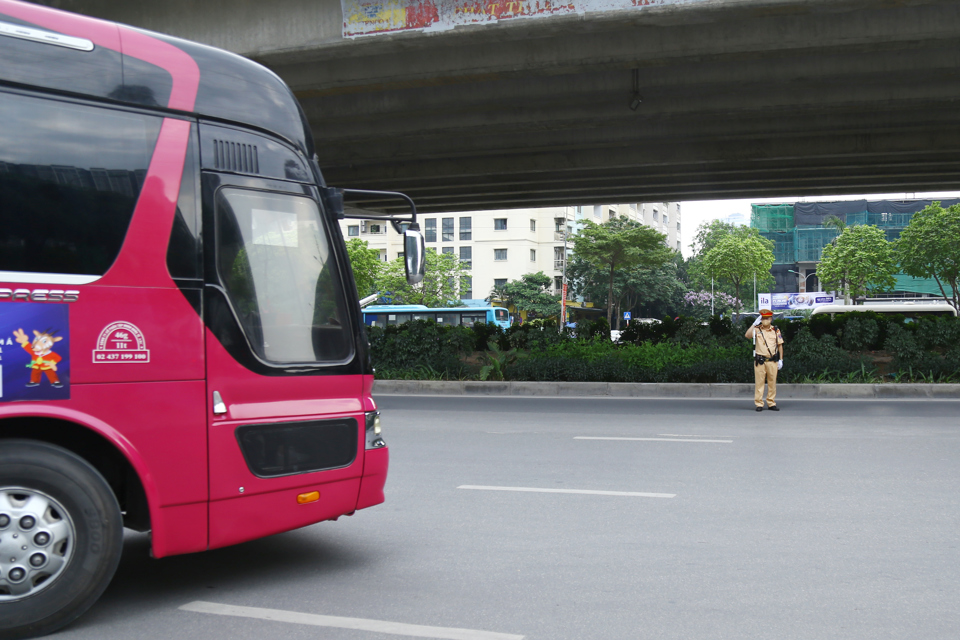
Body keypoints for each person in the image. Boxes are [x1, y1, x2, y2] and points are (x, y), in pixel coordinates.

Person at [744, 309, 784, 411]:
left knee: (772, 383)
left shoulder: (775, 330)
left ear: (771, 319)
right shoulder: (757, 329)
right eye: (763, 318)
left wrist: (781, 359)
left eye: (767, 318)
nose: (765, 320)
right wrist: (754, 324)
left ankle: (771, 403)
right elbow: (747, 336)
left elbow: (780, 345)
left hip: (772, 361)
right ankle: (759, 404)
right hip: (760, 361)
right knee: (759, 383)